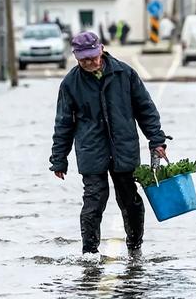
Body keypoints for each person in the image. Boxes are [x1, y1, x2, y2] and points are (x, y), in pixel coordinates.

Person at [50, 31, 169, 257]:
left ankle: (135, 248)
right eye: (84, 59)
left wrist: (157, 140)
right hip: (91, 152)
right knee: (94, 201)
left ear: (101, 49)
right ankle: (89, 253)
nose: (90, 63)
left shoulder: (124, 74)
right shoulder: (70, 83)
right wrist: (59, 159)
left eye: (93, 57)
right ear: (75, 57)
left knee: (130, 200)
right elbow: (63, 124)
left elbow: (145, 109)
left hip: (124, 149)